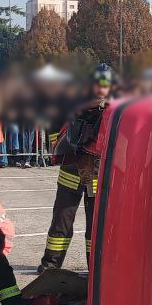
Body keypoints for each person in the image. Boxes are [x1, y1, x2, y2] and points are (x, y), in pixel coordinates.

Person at [37, 64, 112, 273]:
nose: (102, 89)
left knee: (95, 227)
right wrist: (59, 148)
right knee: (61, 221)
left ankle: (95, 268)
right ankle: (50, 265)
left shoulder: (113, 108)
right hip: (71, 171)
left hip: (98, 175)